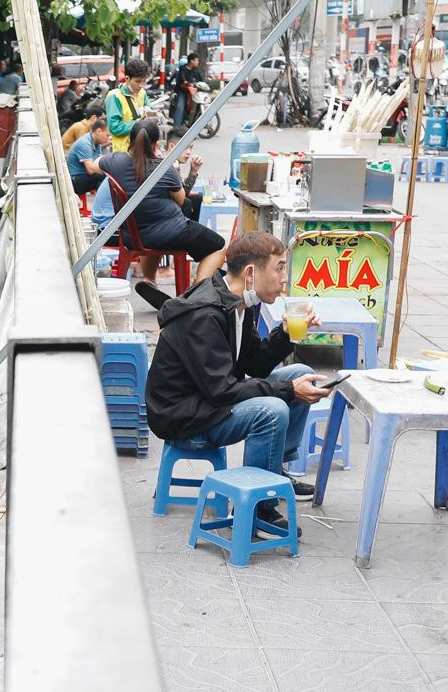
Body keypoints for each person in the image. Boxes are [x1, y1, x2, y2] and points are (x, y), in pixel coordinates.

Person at [145, 231, 332, 533]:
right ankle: (258, 513)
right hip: (183, 415)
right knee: (273, 409)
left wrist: (284, 334)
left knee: (299, 374)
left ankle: (276, 471)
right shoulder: (206, 315)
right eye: (279, 267)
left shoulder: (243, 303)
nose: (285, 278)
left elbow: (254, 365)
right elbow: (221, 391)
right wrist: (285, 392)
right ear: (250, 273)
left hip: (208, 398)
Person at [96, 118, 226, 281]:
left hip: (133, 234)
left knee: (161, 219)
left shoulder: (114, 161)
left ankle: (149, 280)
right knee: (219, 246)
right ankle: (197, 293)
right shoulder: (164, 168)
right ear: (156, 144)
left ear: (131, 140)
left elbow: (95, 165)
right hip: (167, 233)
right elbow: (181, 200)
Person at [105, 56, 151, 152]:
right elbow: (115, 128)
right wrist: (138, 123)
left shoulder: (142, 93)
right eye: (138, 81)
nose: (141, 85)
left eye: (144, 81)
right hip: (122, 152)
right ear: (127, 78)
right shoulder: (114, 96)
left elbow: (148, 110)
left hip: (140, 149)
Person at [64, 104, 109, 195]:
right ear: (99, 131)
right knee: (105, 177)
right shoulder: (85, 141)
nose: (108, 139)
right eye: (107, 135)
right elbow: (91, 170)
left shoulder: (96, 141)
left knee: (108, 176)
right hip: (74, 179)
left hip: (83, 174)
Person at [170, 50, 206, 127]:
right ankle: (176, 128)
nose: (198, 62)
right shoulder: (183, 69)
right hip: (183, 91)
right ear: (191, 61)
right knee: (180, 107)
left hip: (193, 91)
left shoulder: (196, 70)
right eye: (197, 61)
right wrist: (186, 82)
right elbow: (182, 80)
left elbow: (201, 80)